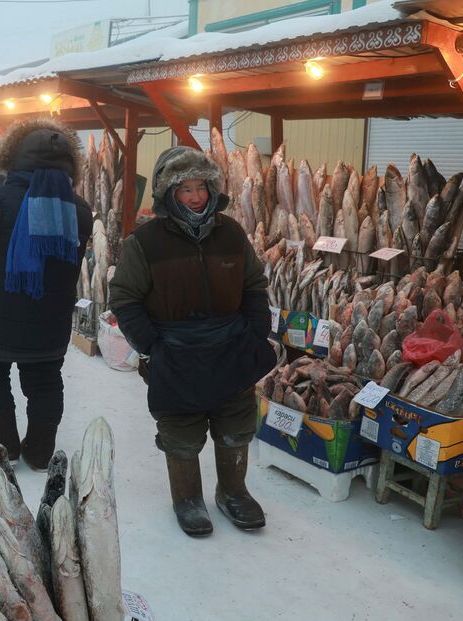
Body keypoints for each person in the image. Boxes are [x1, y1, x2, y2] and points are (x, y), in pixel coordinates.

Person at [109, 146, 275, 537]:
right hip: (176, 352)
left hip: (231, 347)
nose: (197, 196)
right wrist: (154, 345)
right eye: (186, 189)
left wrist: (255, 330)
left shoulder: (230, 231)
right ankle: (187, 498)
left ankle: (233, 492)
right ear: (169, 193)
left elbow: (253, 284)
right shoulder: (144, 242)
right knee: (180, 432)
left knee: (236, 424)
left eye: (202, 186)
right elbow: (125, 299)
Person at [0, 119, 92, 471]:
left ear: (12, 159)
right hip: (50, 322)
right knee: (44, 381)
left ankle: (3, 442)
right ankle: (41, 449)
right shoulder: (79, 210)